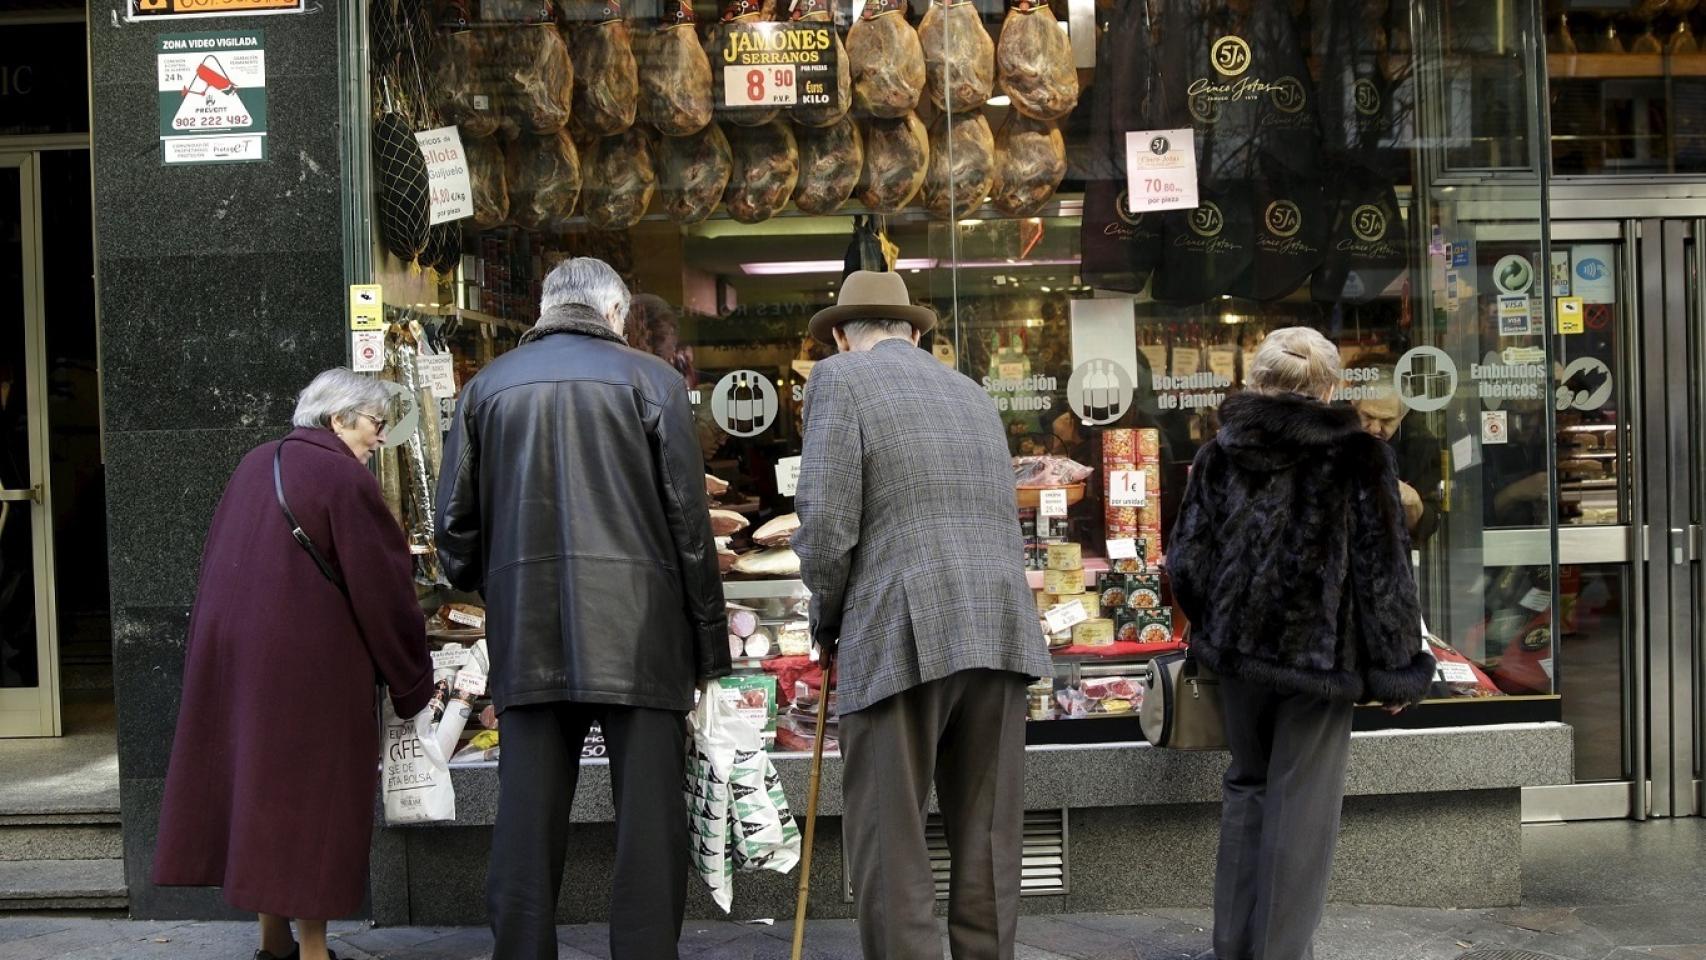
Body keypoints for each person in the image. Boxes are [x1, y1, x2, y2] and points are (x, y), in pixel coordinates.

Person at [434, 258, 728, 960]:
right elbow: (692, 527)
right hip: (643, 636)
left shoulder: (487, 389)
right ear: (617, 312)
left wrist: (489, 583)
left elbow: (454, 527)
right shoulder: (653, 381)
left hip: (528, 631)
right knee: (648, 833)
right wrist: (710, 648)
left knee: (526, 826)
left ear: (545, 308)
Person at [793, 270, 1052, 960]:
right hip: (997, 626)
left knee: (892, 838)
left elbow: (825, 525)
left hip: (900, 629)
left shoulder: (839, 381)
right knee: (989, 836)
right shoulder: (970, 391)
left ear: (843, 337)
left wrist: (826, 618)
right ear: (913, 332)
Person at [1169, 327, 1436, 960]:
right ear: (1330, 386)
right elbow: (1383, 574)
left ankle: (1232, 947)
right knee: (1303, 810)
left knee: (1247, 789)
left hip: (1238, 660)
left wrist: (1219, 628)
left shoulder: (1218, 453)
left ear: (1258, 380)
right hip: (1321, 663)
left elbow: (1187, 563)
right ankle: (1282, 952)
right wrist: (1398, 669)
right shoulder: (1359, 457)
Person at [153, 368, 434, 960]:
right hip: (313, 673)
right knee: (314, 807)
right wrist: (413, 681)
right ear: (339, 420)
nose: (378, 440)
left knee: (263, 797)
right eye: (375, 425)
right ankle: (312, 951)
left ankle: (272, 941)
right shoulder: (341, 475)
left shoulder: (257, 462)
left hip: (240, 664)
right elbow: (382, 589)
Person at [1351, 368, 1442, 544]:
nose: (1375, 429)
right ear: (1353, 404)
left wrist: (1413, 503)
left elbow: (1428, 525)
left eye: (1387, 421)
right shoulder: (1331, 433)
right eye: (1367, 416)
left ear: (1402, 416)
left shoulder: (1420, 445)